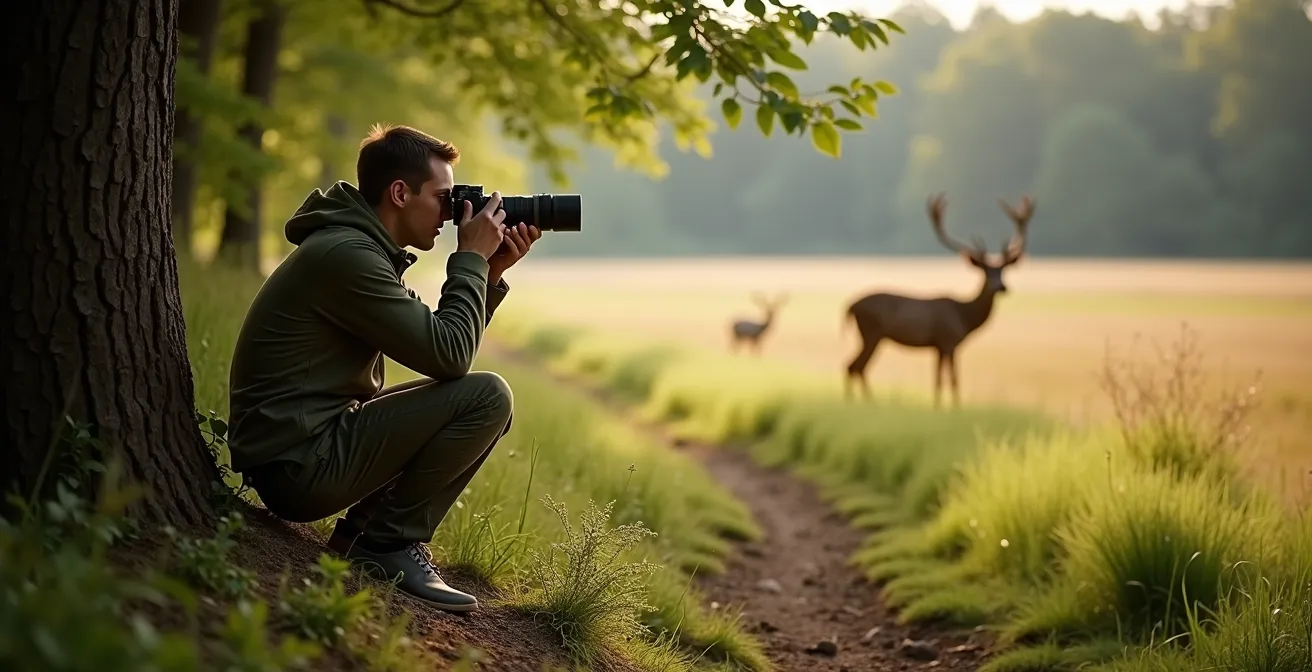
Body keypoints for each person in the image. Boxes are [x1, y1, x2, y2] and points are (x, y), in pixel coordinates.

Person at [225, 124, 541, 613]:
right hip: (299, 467)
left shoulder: (357, 251)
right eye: (443, 197)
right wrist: (470, 260)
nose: (451, 213)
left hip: (304, 450)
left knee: (475, 397)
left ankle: (362, 537)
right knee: (487, 397)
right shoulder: (347, 257)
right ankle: (385, 545)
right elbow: (450, 355)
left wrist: (489, 273)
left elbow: (440, 346)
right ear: (399, 193)